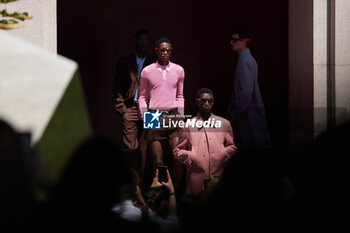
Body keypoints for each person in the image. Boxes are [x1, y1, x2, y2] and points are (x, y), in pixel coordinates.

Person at [138, 37, 185, 189]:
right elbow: (142, 97)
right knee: (158, 161)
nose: (165, 53)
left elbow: (180, 96)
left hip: (172, 115)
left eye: (168, 50)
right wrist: (145, 115)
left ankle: (175, 192)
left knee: (178, 156)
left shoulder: (179, 70)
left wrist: (181, 116)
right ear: (157, 51)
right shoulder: (147, 71)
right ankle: (159, 194)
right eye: (162, 50)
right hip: (153, 115)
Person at [173, 88, 237, 196]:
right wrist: (192, 157)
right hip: (196, 178)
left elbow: (232, 147)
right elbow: (177, 150)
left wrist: (222, 154)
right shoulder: (188, 125)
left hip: (218, 176)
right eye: (203, 101)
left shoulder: (224, 124)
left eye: (210, 101)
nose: (207, 104)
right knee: (196, 208)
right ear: (197, 102)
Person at [113, 29, 156, 174]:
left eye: (146, 41)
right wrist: (122, 109)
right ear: (136, 41)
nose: (144, 44)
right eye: (141, 41)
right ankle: (133, 182)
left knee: (146, 149)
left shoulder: (154, 63)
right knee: (131, 148)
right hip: (130, 108)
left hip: (150, 110)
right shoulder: (125, 62)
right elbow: (117, 87)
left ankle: (143, 186)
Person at [226, 29, 271, 149]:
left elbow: (245, 93)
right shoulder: (244, 59)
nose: (231, 42)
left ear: (244, 41)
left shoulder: (245, 61)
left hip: (248, 114)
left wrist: (236, 115)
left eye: (235, 40)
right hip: (247, 113)